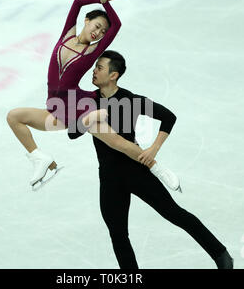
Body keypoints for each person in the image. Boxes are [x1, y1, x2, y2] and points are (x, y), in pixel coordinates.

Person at [7, 0, 179, 190]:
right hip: (55, 107)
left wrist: (108, 5)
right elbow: (78, 2)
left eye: (102, 31)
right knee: (14, 116)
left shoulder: (92, 51)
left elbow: (117, 26)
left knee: (117, 142)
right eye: (97, 26)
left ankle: (158, 169)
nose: (98, 32)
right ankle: (40, 159)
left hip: (78, 106)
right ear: (86, 21)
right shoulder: (67, 35)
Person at [70, 50, 234, 269]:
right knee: (118, 234)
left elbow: (168, 117)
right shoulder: (89, 101)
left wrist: (154, 148)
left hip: (135, 170)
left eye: (99, 67)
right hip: (109, 177)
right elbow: (72, 132)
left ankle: (221, 255)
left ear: (113, 75)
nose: (94, 71)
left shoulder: (130, 100)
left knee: (174, 213)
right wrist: (89, 118)